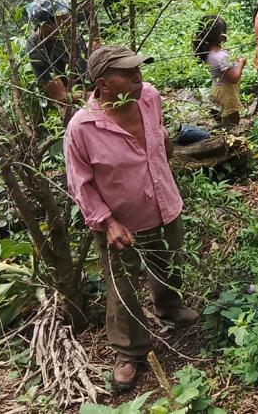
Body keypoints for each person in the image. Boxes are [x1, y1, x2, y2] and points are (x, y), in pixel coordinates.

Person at [64, 46, 198, 390]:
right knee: (122, 287)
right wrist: (108, 223)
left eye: (139, 69)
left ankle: (169, 306)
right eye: (128, 73)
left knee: (168, 260)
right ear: (104, 85)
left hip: (163, 203)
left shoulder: (149, 97)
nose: (138, 76)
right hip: (120, 223)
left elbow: (160, 138)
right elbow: (80, 184)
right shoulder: (82, 128)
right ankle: (129, 350)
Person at [25, 0, 97, 122]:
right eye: (62, 17)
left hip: (92, 76)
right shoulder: (36, 48)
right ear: (47, 25)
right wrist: (96, 95)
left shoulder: (68, 20)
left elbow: (89, 9)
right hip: (77, 99)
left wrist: (96, 40)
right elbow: (61, 96)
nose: (68, 18)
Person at [193, 15, 246, 126]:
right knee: (233, 119)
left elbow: (223, 68)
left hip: (218, 87)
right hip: (226, 90)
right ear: (221, 34)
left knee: (226, 115)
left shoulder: (208, 51)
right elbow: (233, 78)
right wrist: (241, 63)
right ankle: (231, 137)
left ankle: (224, 129)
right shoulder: (221, 56)